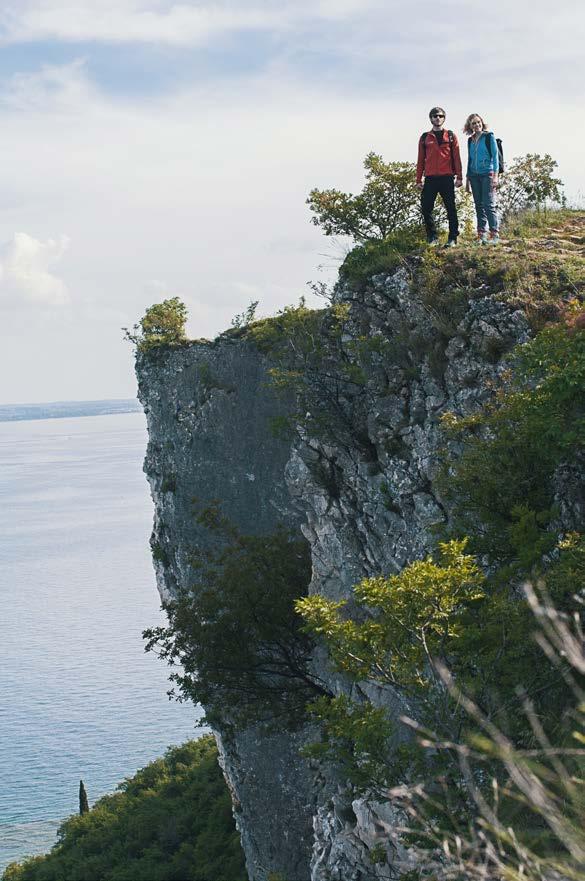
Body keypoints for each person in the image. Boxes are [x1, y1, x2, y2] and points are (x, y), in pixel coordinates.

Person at [417, 107, 463, 248]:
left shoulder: (450, 135)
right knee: (426, 208)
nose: (438, 118)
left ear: (444, 118)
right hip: (430, 178)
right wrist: (418, 179)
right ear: (430, 118)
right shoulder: (425, 137)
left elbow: (456, 157)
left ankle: (453, 238)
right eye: (435, 116)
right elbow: (420, 159)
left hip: (447, 178)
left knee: (451, 208)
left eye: (440, 116)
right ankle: (432, 238)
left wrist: (459, 177)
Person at [464, 113, 499, 244]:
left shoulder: (489, 136)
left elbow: (495, 157)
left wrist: (495, 176)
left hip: (487, 174)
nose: (477, 125)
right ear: (470, 126)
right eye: (474, 123)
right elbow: (470, 160)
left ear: (482, 123)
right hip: (473, 175)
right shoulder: (470, 140)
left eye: (479, 122)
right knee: (478, 205)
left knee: (488, 204)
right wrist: (467, 181)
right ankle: (481, 235)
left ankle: (494, 234)